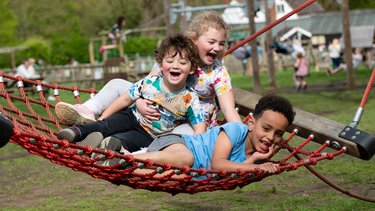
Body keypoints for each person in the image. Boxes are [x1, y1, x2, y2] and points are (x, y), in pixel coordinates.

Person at [55, 11, 242, 135]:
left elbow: (227, 109)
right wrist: (139, 101)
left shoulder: (218, 72)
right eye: (211, 42)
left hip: (188, 122)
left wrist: (243, 133)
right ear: (193, 39)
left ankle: (141, 153)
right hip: (158, 108)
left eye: (222, 43)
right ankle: (89, 111)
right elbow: (146, 84)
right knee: (118, 84)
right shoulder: (175, 58)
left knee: (181, 137)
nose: (217, 48)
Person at [56, 34, 206, 152]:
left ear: (192, 69)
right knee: (105, 125)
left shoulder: (189, 98)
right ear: (160, 64)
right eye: (170, 61)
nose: (176, 66)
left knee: (122, 140)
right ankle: (76, 132)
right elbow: (125, 100)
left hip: (151, 135)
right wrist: (102, 118)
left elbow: (199, 126)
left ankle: (103, 145)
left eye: (182, 63)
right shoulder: (150, 82)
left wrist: (199, 149)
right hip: (131, 117)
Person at [97, 94, 295, 174]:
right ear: (251, 123)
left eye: (279, 134)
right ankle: (124, 158)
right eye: (266, 129)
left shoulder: (260, 157)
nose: (271, 138)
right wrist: (255, 168)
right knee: (185, 158)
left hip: (189, 172)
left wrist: (254, 160)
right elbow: (218, 164)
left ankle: (120, 166)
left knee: (179, 178)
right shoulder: (236, 130)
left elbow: (233, 174)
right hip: (178, 145)